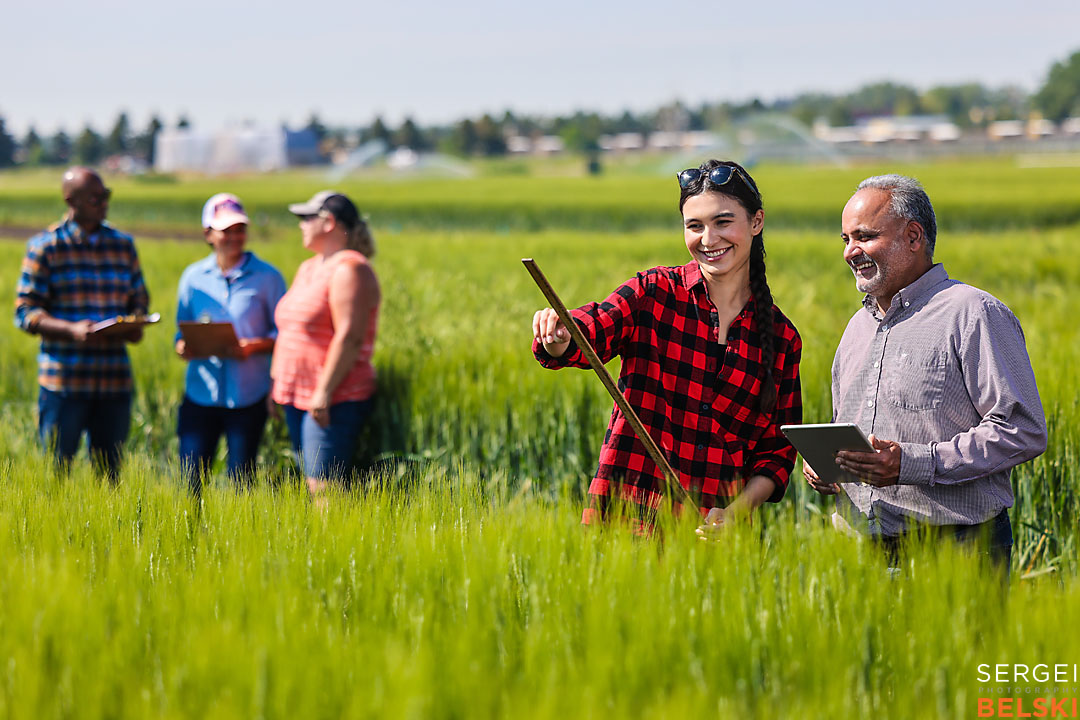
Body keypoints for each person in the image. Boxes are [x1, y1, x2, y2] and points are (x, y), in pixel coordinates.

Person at [532, 160, 802, 532]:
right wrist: (559, 333)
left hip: (713, 537)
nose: (708, 239)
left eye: (723, 222)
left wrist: (735, 514)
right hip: (625, 523)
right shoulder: (653, 292)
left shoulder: (782, 338)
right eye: (695, 226)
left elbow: (776, 452)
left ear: (756, 222)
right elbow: (591, 329)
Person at [804, 174, 1047, 571]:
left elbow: (1022, 430)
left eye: (864, 236)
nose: (851, 251)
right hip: (860, 553)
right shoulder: (856, 328)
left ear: (913, 237)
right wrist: (833, 467)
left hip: (955, 554)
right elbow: (851, 428)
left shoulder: (972, 314)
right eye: (845, 239)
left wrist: (910, 463)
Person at [14, 167, 149, 480]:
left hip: (114, 382)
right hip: (64, 385)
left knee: (109, 479)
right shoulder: (45, 247)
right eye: (95, 197)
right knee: (54, 475)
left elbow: (139, 299)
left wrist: (136, 322)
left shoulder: (123, 245)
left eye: (106, 196)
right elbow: (25, 312)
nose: (103, 203)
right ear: (69, 200)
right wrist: (71, 330)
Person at [174, 193, 287, 497]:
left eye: (240, 229)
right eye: (226, 231)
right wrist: (183, 347)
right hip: (200, 395)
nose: (235, 237)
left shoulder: (268, 277)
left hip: (247, 397)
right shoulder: (193, 278)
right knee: (190, 483)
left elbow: (285, 333)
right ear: (208, 234)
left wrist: (254, 345)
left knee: (242, 483)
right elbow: (180, 332)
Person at [270, 191, 380, 497]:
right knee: (312, 483)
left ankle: (331, 545)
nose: (300, 225)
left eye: (306, 218)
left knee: (324, 490)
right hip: (297, 396)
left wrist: (324, 393)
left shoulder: (350, 269)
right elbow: (289, 329)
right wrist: (277, 383)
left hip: (331, 399)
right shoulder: (309, 267)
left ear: (329, 222)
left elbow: (350, 337)